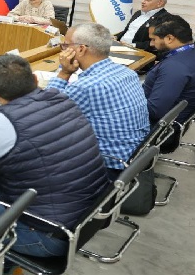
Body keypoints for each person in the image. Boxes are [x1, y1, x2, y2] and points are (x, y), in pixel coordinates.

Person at [0, 54, 110, 275]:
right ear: (35, 80)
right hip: (84, 217)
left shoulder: (6, 122)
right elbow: (11, 126)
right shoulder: (58, 96)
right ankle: (8, 272)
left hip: (48, 235)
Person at [48, 23, 150, 179]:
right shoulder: (127, 73)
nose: (63, 50)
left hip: (108, 165)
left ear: (81, 49)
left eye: (66, 46)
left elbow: (47, 112)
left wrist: (64, 73)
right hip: (135, 157)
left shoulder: (85, 87)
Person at [144, 15, 195, 125]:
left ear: (169, 38)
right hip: (175, 119)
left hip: (150, 123)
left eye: (154, 39)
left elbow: (154, 111)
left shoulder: (174, 66)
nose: (151, 44)